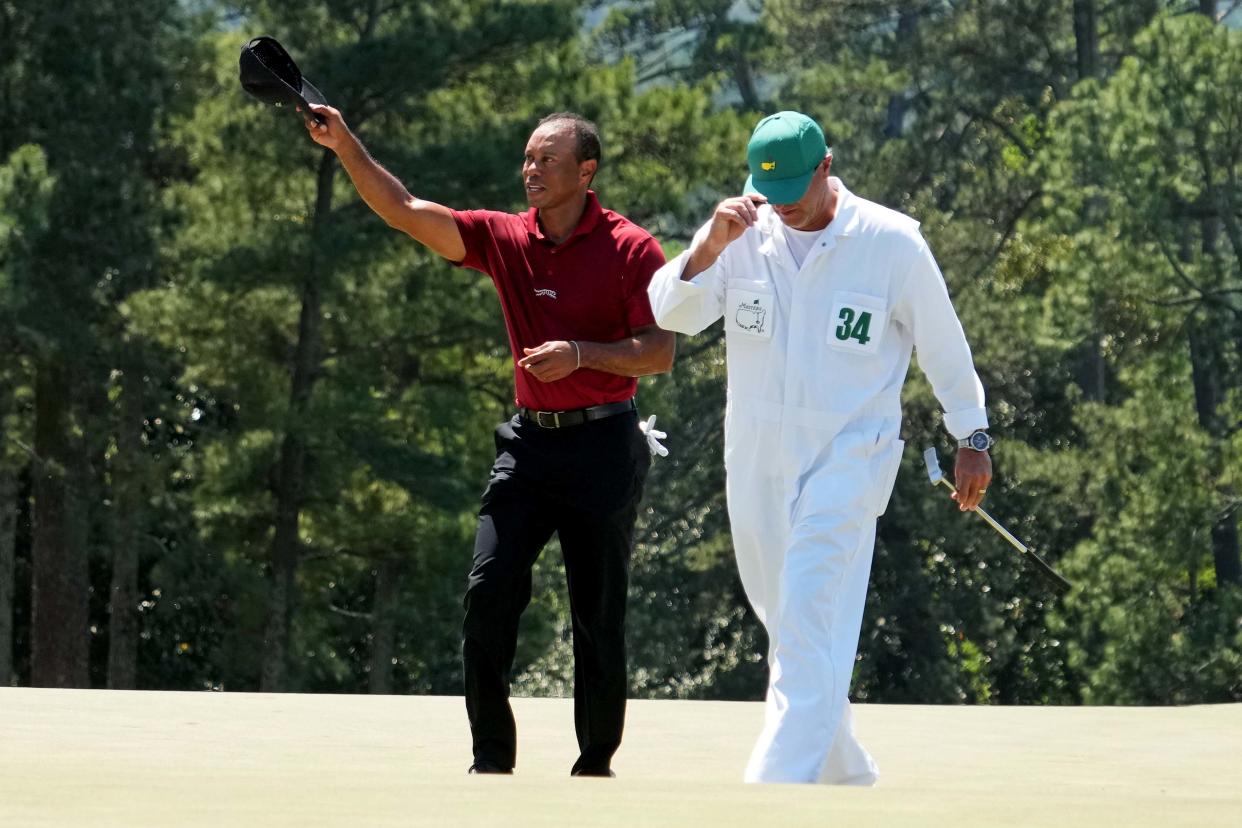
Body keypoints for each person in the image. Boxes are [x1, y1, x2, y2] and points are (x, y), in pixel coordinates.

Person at [303, 105, 674, 777]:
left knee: (598, 614)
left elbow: (659, 353)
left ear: (586, 172)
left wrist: (581, 354)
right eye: (528, 158)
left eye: (547, 160)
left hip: (605, 447)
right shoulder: (503, 237)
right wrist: (346, 145)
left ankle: (595, 764)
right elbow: (407, 210)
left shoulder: (631, 248)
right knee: (489, 589)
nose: (530, 169)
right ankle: (491, 760)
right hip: (528, 448)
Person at [646, 111, 993, 785]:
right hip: (753, 461)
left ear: (827, 166)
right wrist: (707, 249)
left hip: (848, 459)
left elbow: (944, 348)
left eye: (796, 194)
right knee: (790, 626)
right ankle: (849, 778)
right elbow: (671, 313)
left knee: (807, 624)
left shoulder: (891, 242)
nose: (784, 209)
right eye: (771, 194)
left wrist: (971, 436)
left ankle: (773, 792)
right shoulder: (739, 233)